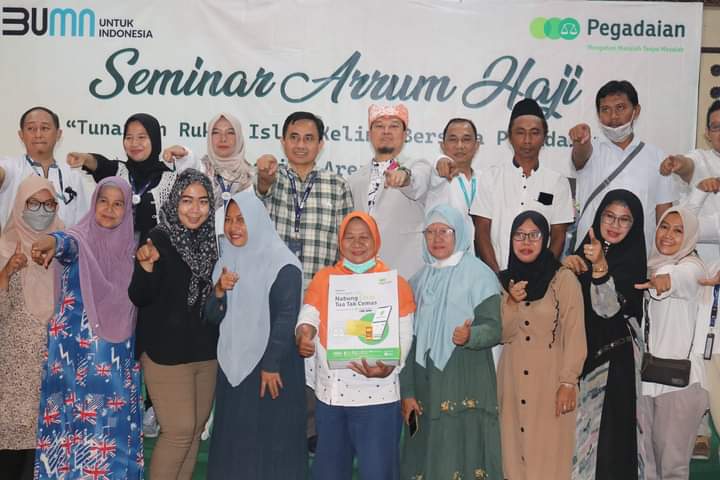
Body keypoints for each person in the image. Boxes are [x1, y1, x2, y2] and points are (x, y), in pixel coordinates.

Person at [30, 177, 142, 479]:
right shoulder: (79, 238)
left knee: (108, 431)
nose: (109, 209)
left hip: (113, 358)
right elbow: (64, 244)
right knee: (66, 428)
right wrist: (50, 242)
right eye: (103, 201)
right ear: (93, 203)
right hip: (70, 359)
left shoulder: (133, 252)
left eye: (118, 204)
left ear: (127, 211)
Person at [295, 211, 416, 480]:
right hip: (332, 398)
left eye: (364, 237)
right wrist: (304, 334)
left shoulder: (395, 284)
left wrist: (390, 365)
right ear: (340, 242)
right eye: (349, 237)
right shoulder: (324, 279)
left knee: (378, 473)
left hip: (380, 398)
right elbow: (309, 315)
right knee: (329, 473)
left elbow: (404, 333)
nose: (357, 244)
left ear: (376, 240)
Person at [206, 191, 306, 478]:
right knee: (234, 446)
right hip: (233, 368)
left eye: (241, 220)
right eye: (229, 220)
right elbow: (212, 317)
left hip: (271, 369)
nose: (233, 227)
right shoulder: (225, 260)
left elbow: (286, 317)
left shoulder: (282, 263)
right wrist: (219, 290)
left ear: (257, 220)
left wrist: (271, 364)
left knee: (269, 446)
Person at [128, 169, 219, 480]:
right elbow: (139, 296)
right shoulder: (159, 238)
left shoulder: (214, 243)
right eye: (187, 200)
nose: (195, 209)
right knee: (179, 431)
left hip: (205, 352)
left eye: (203, 201)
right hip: (165, 353)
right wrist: (145, 266)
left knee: (193, 431)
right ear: (174, 201)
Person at [400, 205, 502, 480]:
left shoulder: (480, 275)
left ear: (459, 233)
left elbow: (495, 328)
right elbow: (406, 343)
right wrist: (407, 391)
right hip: (424, 384)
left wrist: (471, 336)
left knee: (462, 455)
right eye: (430, 232)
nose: (437, 238)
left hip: (465, 379)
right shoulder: (416, 281)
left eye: (444, 231)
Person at [497, 210, 586, 480]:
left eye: (534, 235)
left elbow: (575, 333)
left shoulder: (563, 279)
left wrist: (568, 381)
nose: (526, 242)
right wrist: (511, 302)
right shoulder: (504, 281)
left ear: (546, 239)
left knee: (549, 458)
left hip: (551, 381)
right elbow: (503, 334)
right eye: (519, 235)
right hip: (512, 382)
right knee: (514, 457)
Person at [563, 189, 646, 479]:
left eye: (624, 220)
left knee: (610, 448)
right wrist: (564, 268)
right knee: (578, 444)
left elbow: (608, 309)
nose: (614, 225)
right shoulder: (582, 252)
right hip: (579, 359)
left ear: (634, 226)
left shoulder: (633, 262)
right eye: (609, 216)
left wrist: (599, 267)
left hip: (614, 366)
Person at [636, 207, 710, 480]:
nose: (668, 235)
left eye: (679, 231)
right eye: (664, 227)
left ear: (689, 237)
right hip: (648, 378)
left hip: (680, 385)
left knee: (672, 469)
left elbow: (681, 279)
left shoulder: (692, 267)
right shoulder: (651, 264)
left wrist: (665, 281)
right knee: (648, 466)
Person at [0, 177, 63, 480]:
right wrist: (6, 273)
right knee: (9, 460)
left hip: (52, 378)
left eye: (49, 204)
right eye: (33, 204)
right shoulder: (3, 249)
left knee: (43, 463)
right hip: (11, 381)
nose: (42, 211)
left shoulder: (65, 252)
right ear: (19, 205)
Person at [569, 80, 676, 251]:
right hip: (590, 253)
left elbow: (664, 214)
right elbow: (579, 157)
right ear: (598, 115)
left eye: (620, 108)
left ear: (636, 111)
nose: (613, 117)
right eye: (605, 109)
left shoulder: (657, 157)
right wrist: (580, 141)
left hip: (639, 256)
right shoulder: (589, 149)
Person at [471, 98, 574, 273]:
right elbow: (482, 231)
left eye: (535, 133)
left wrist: (543, 274)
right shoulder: (491, 177)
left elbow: (558, 235)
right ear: (509, 137)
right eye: (520, 132)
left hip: (541, 279)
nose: (527, 140)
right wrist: (497, 275)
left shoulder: (557, 182)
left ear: (544, 137)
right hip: (498, 274)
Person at [256, 111, 354, 288]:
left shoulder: (337, 185)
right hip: (272, 290)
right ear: (283, 142)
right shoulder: (271, 177)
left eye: (308, 138)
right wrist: (263, 179)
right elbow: (261, 192)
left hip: (320, 291)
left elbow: (346, 245)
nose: (300, 145)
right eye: (294, 137)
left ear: (320, 144)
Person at [347, 104, 433, 279]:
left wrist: (404, 176)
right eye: (379, 126)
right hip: (364, 273)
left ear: (405, 134)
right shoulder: (354, 179)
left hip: (406, 273)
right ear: (369, 134)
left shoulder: (419, 166)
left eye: (394, 126)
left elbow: (416, 183)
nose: (386, 131)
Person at [67, 113, 178, 244]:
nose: (134, 143)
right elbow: (100, 164)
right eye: (129, 137)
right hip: (114, 253)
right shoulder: (118, 170)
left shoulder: (170, 178)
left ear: (154, 139)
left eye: (141, 137)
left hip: (155, 254)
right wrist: (85, 158)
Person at [163, 112, 255, 234]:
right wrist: (183, 154)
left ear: (239, 137)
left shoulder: (250, 177)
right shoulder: (203, 170)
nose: (223, 139)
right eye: (216, 133)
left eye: (230, 133)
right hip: (202, 242)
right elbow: (190, 163)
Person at [0, 106, 90, 227]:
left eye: (45, 128)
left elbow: (82, 226)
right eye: (31, 128)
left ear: (58, 134)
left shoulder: (73, 176)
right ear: (21, 135)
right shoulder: (11, 166)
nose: (38, 134)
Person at [426, 118, 482, 245]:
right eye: (453, 140)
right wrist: (440, 160)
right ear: (442, 145)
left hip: (480, 254)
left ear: (476, 145)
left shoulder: (485, 180)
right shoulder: (438, 177)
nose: (459, 146)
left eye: (466, 139)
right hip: (444, 252)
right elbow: (436, 167)